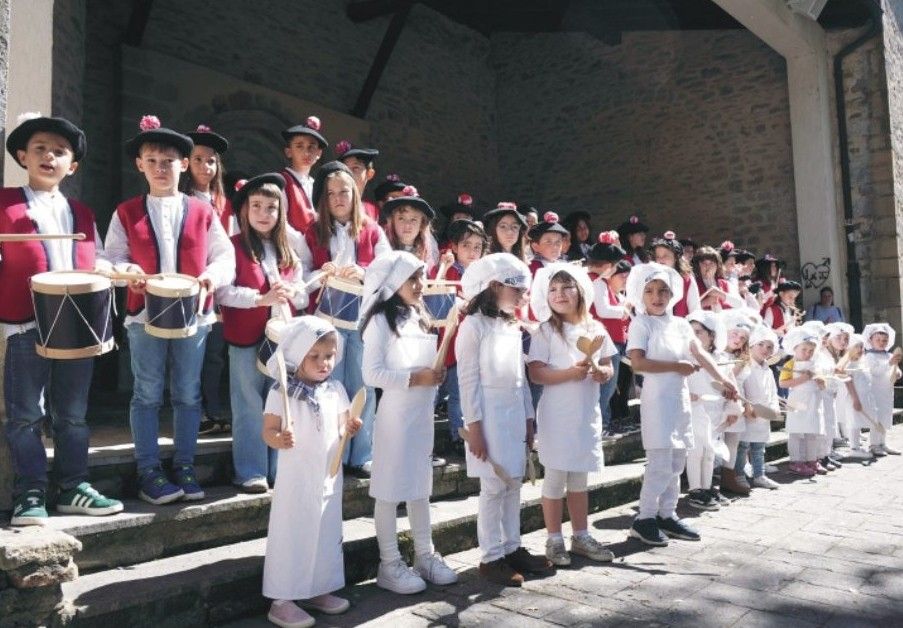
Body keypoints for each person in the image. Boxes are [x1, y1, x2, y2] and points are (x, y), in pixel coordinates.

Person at [105, 114, 235, 504]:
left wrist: (212, 277)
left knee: (187, 394)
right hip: (144, 317)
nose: (161, 168)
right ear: (140, 165)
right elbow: (112, 255)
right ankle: (148, 470)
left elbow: (224, 255)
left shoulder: (203, 211)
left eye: (169, 161)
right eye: (152, 161)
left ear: (183, 164)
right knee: (145, 393)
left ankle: (185, 464)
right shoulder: (126, 212)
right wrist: (128, 271)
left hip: (193, 317)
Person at [2, 113, 123, 525]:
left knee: (72, 414)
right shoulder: (5, 202)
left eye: (59, 151)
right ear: (23, 156)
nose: (48, 156)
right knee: (25, 414)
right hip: (24, 323)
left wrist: (110, 270)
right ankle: (30, 491)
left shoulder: (82, 213)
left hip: (74, 326)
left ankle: (73, 486)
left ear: (72, 165)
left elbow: (99, 256)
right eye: (39, 149)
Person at [361, 251, 458, 594]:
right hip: (395, 416)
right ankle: (389, 563)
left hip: (421, 416)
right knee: (389, 490)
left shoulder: (419, 316)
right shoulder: (379, 322)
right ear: (392, 283)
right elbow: (371, 372)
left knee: (420, 487)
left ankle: (424, 554)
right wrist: (417, 378)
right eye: (412, 279)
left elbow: (425, 367)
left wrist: (436, 374)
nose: (420, 285)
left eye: (421, 277)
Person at [457, 253, 553, 586]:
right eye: (518, 291)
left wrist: (528, 418)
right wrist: (475, 429)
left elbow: (521, 377)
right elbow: (468, 381)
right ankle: (491, 556)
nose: (523, 298)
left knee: (513, 483)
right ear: (495, 286)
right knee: (494, 485)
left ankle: (513, 547)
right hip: (489, 417)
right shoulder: (472, 326)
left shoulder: (511, 325)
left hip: (513, 414)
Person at [625, 263, 737, 546]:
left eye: (663, 291)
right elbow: (638, 363)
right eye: (649, 291)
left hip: (680, 400)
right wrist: (676, 367)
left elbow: (699, 353)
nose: (656, 296)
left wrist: (724, 379)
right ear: (641, 294)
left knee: (677, 461)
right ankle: (644, 518)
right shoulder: (642, 323)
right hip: (657, 400)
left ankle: (667, 514)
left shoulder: (679, 324)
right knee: (660, 462)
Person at [261, 316, 361, 628]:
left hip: (328, 474)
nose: (323, 363)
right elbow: (268, 430)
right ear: (296, 355)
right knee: (294, 530)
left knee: (325, 530)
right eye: (314, 356)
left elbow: (345, 423)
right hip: (297, 477)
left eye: (329, 356)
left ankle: (317, 588)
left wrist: (351, 427)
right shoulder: (282, 392)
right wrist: (279, 438)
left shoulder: (336, 389)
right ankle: (283, 598)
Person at [217, 173, 308, 493]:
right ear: (244, 211)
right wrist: (260, 299)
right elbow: (222, 292)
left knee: (280, 401)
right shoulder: (232, 247)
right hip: (245, 337)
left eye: (271, 207)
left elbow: (303, 295)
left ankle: (278, 467)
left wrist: (291, 291)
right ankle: (250, 470)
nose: (263, 213)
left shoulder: (288, 250)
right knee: (247, 403)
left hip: (281, 337)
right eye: (256, 206)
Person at [302, 161, 389, 476]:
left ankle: (361, 454)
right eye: (331, 193)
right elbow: (301, 273)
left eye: (344, 192)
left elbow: (389, 270)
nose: (338, 198)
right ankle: (329, 449)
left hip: (363, 322)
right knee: (329, 386)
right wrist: (319, 273)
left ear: (354, 194)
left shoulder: (372, 229)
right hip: (327, 323)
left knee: (362, 386)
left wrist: (364, 272)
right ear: (323, 199)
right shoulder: (312, 232)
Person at [527, 263, 616, 566]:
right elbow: (536, 372)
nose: (560, 294)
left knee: (579, 477)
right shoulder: (546, 330)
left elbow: (608, 366)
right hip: (556, 414)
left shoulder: (596, 329)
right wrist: (568, 373)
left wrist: (601, 372)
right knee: (555, 477)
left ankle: (581, 534)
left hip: (584, 415)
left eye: (567, 287)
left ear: (581, 291)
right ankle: (554, 539)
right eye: (553, 289)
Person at [181, 124, 235, 436]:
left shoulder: (224, 203)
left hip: (219, 288)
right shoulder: (182, 199)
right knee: (192, 354)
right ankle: (195, 413)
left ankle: (211, 409)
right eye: (199, 159)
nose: (205, 166)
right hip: (192, 286)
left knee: (214, 354)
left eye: (211, 160)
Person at [431, 219, 488, 453]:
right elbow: (436, 294)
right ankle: (455, 435)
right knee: (447, 390)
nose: (472, 251)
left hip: (471, 340)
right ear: (454, 246)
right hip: (449, 339)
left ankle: (459, 433)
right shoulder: (448, 270)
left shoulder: (484, 273)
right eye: (466, 245)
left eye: (477, 246)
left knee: (459, 391)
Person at [587, 233, 629, 436]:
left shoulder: (598, 281)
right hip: (605, 340)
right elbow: (603, 311)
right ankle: (600, 424)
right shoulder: (597, 282)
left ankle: (602, 422)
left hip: (609, 339)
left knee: (609, 387)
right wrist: (625, 310)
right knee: (606, 387)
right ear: (606, 265)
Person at [685, 310, 726, 510]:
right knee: (695, 450)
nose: (694, 336)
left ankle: (708, 488)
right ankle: (695, 490)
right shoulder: (686, 356)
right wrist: (687, 395)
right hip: (693, 407)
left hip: (713, 409)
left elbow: (725, 381)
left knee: (710, 450)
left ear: (712, 335)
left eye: (699, 332)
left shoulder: (719, 357)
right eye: (691, 331)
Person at [735, 325, 781, 490]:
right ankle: (739, 475)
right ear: (752, 345)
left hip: (764, 413)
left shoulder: (767, 370)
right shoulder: (745, 366)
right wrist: (746, 405)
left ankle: (759, 475)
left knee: (759, 447)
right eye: (760, 345)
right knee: (743, 445)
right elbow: (739, 386)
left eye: (769, 347)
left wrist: (774, 407)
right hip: (749, 413)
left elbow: (773, 391)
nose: (765, 349)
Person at [779, 328, 827, 477]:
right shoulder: (789, 365)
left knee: (812, 433)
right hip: (797, 402)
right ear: (795, 348)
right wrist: (803, 379)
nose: (808, 353)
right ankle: (796, 461)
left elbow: (823, 382)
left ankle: (811, 459)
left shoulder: (815, 365)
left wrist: (821, 382)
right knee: (797, 432)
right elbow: (783, 384)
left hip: (813, 402)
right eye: (804, 349)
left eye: (811, 350)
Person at [862, 323, 902, 457]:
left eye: (884, 340)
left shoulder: (889, 355)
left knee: (885, 416)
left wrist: (898, 373)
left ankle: (882, 442)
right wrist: (889, 364)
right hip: (875, 391)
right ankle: (874, 444)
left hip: (887, 391)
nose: (881, 343)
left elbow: (895, 368)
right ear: (870, 340)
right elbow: (875, 372)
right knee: (876, 418)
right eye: (878, 340)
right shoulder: (869, 356)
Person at [281, 116, 326, 233]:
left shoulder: (317, 186)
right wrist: (304, 246)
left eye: (311, 147)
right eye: (299, 146)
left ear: (319, 153)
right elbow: (281, 223)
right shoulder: (281, 181)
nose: (306, 152)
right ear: (289, 151)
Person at [381, 185, 438, 271]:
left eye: (413, 220)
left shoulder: (428, 251)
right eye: (401, 219)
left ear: (421, 224)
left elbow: (432, 280)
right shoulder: (382, 248)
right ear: (393, 222)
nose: (407, 225)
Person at [651, 231, 699, 317]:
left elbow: (695, 310)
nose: (661, 260)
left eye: (666, 256)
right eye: (658, 256)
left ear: (676, 258)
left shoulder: (687, 280)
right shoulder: (650, 279)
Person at [334, 140, 380, 222]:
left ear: (369, 174)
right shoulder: (333, 206)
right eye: (345, 169)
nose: (349, 173)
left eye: (355, 168)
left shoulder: (372, 210)